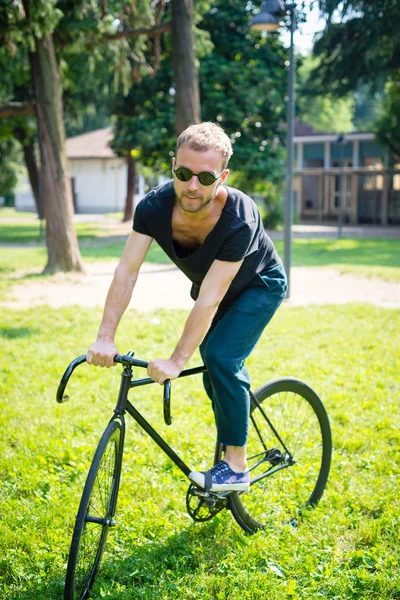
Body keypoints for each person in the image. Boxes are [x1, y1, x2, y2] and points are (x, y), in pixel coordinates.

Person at [86, 122, 287, 493]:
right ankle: (231, 440)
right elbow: (127, 271)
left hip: (259, 285)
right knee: (216, 369)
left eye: (205, 177)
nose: (192, 186)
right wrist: (105, 337)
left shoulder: (239, 217)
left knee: (221, 357)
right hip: (215, 289)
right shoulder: (153, 208)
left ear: (222, 176)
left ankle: (237, 467)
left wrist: (177, 360)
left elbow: (211, 297)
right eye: (183, 173)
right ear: (173, 165)